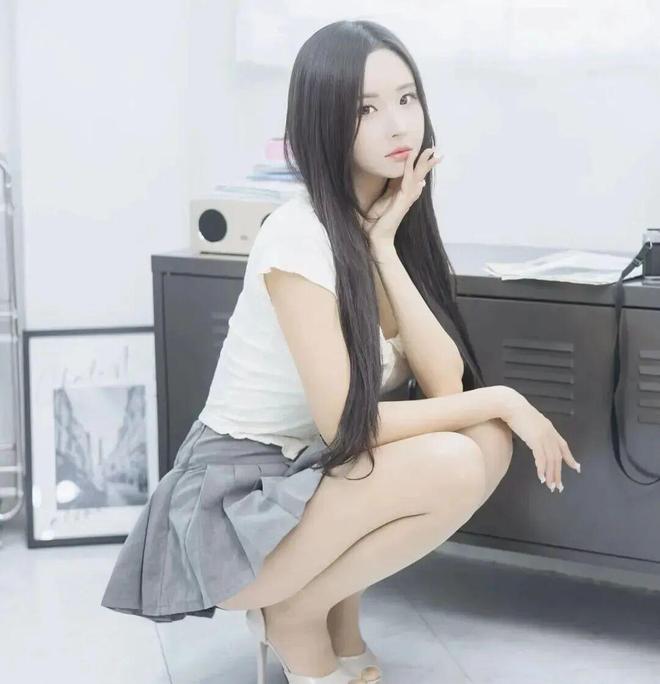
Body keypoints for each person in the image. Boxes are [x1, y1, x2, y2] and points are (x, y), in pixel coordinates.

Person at [101, 19, 579, 684]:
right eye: (366, 109)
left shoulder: (384, 224)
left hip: (310, 478)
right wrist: (502, 395)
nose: (398, 125)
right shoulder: (298, 236)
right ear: (325, 120)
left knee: (486, 441)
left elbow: (444, 384)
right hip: (237, 506)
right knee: (454, 452)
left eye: (406, 99)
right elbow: (346, 426)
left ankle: (319, 611)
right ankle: (296, 613)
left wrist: (384, 247)